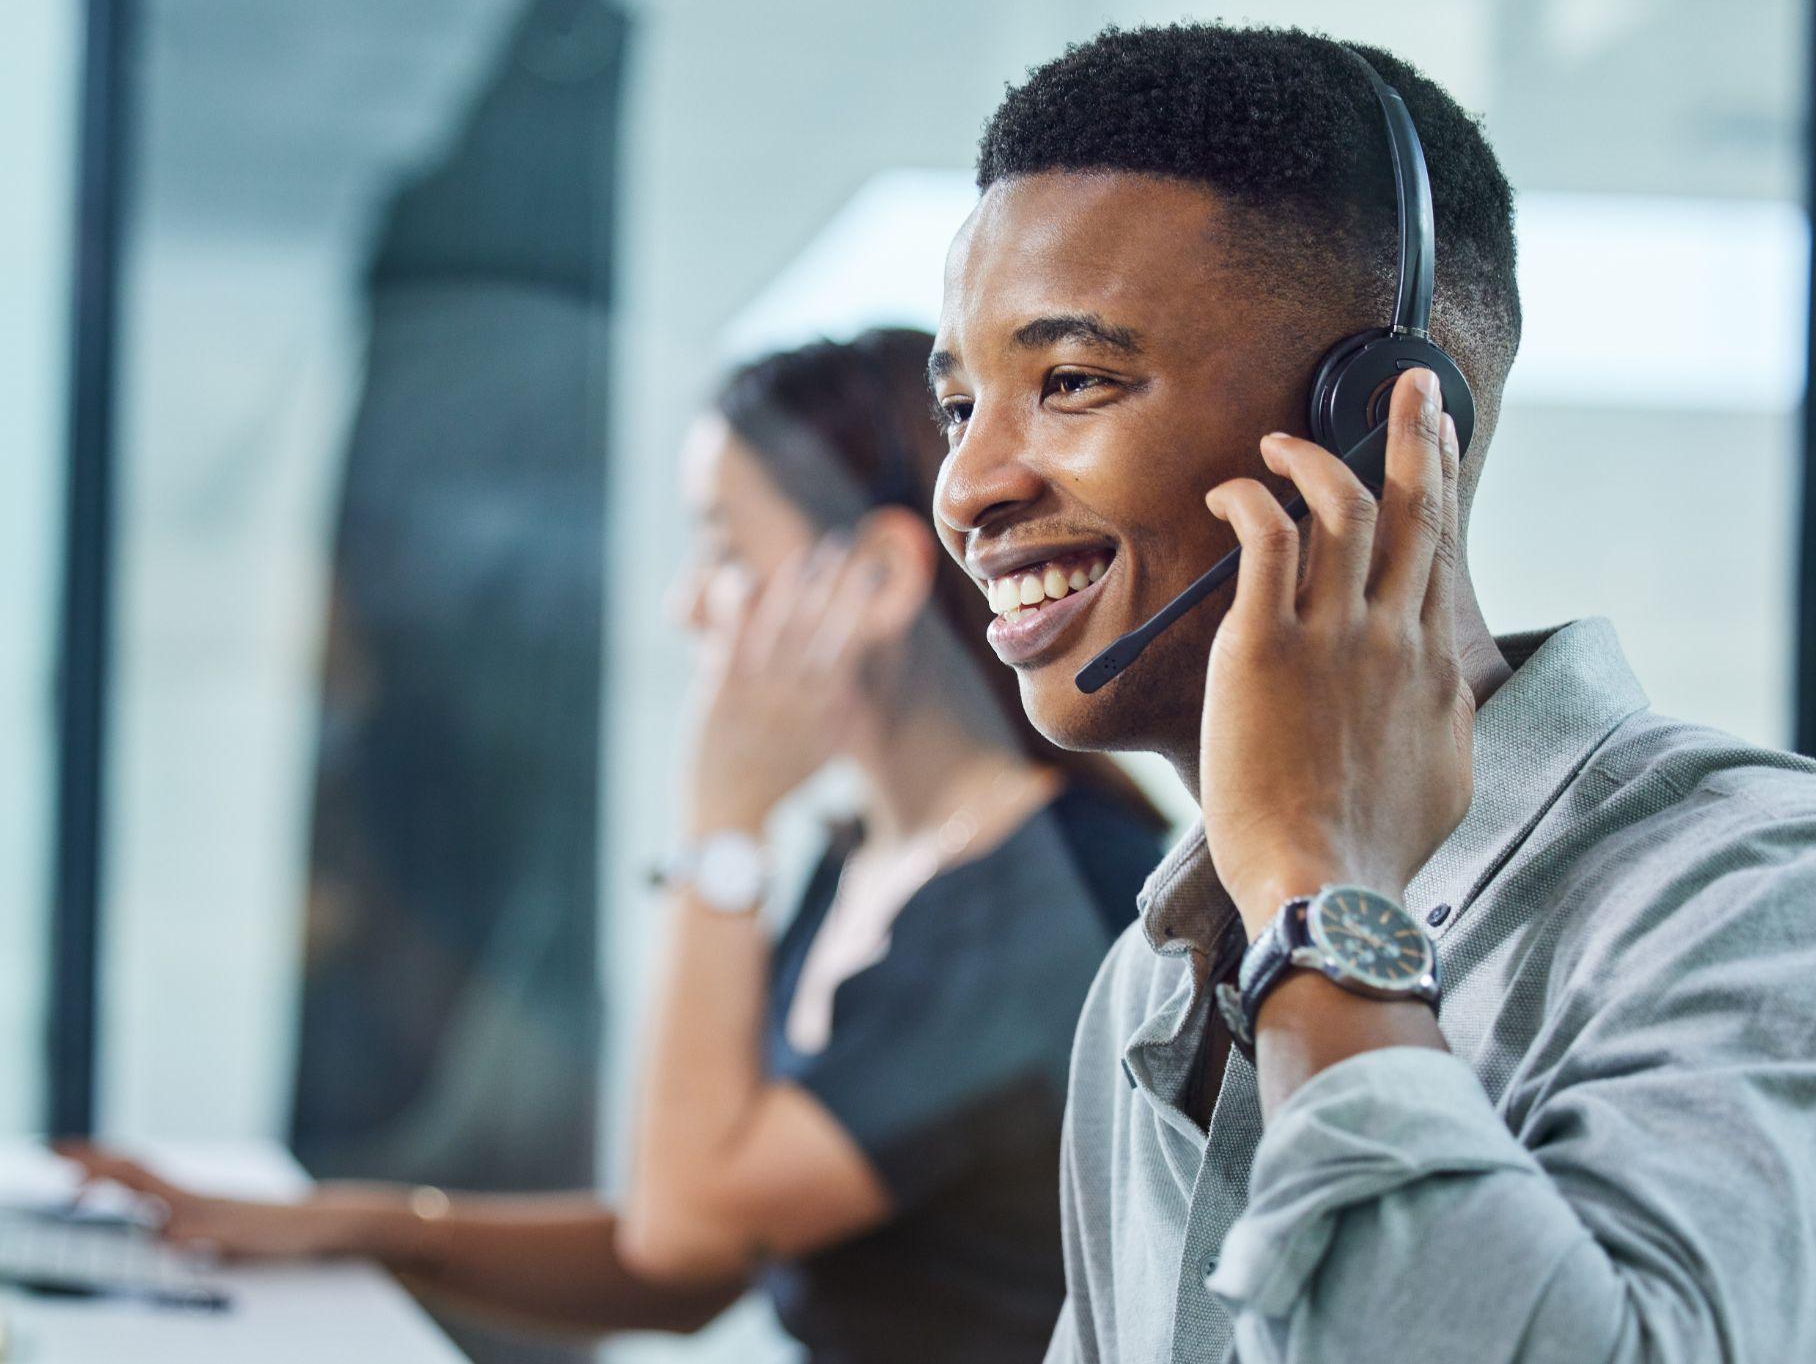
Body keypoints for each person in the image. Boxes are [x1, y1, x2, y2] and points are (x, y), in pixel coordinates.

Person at [926, 25, 1816, 1362]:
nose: (966, 490)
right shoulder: (1150, 986)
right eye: (960, 406)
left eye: (1072, 381)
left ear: (1376, 419)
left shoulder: (1778, 890)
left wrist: (1326, 904)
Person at [60, 328, 1165, 1363]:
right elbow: (699, 1256)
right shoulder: (875, 859)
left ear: (874, 579)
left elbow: (684, 1236)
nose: (690, 605)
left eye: (724, 550)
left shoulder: (1043, 908)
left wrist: (720, 827)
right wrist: (349, 1228)